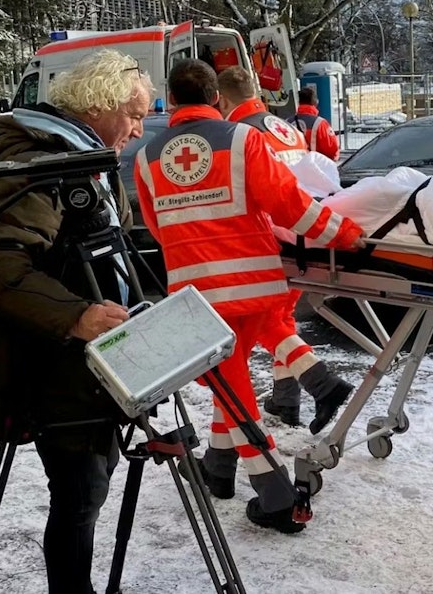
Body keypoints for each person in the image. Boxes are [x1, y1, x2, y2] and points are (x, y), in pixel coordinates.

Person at [0, 50, 151, 594]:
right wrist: (75, 315)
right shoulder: (40, 157)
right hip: (57, 367)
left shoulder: (78, 154)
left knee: (89, 488)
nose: (137, 129)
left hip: (94, 361)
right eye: (133, 114)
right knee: (80, 494)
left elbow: (103, 245)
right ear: (100, 105)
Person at [135, 59, 364, 533]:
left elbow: (159, 229)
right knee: (231, 384)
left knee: (230, 387)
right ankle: (218, 469)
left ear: (171, 100)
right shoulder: (242, 140)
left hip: (200, 296)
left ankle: (274, 491)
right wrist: (345, 234)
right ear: (216, 98)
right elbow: (288, 204)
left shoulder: (146, 157)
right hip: (256, 287)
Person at [217, 66, 353, 432]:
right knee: (283, 320)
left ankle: (319, 384)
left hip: (271, 240)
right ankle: (285, 400)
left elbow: (266, 193)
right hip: (302, 240)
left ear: (224, 100)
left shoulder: (240, 134)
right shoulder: (286, 128)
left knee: (264, 323)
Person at [289, 86, 340, 161]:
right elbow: (332, 149)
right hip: (315, 167)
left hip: (293, 168)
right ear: (315, 101)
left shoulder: (287, 122)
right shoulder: (320, 124)